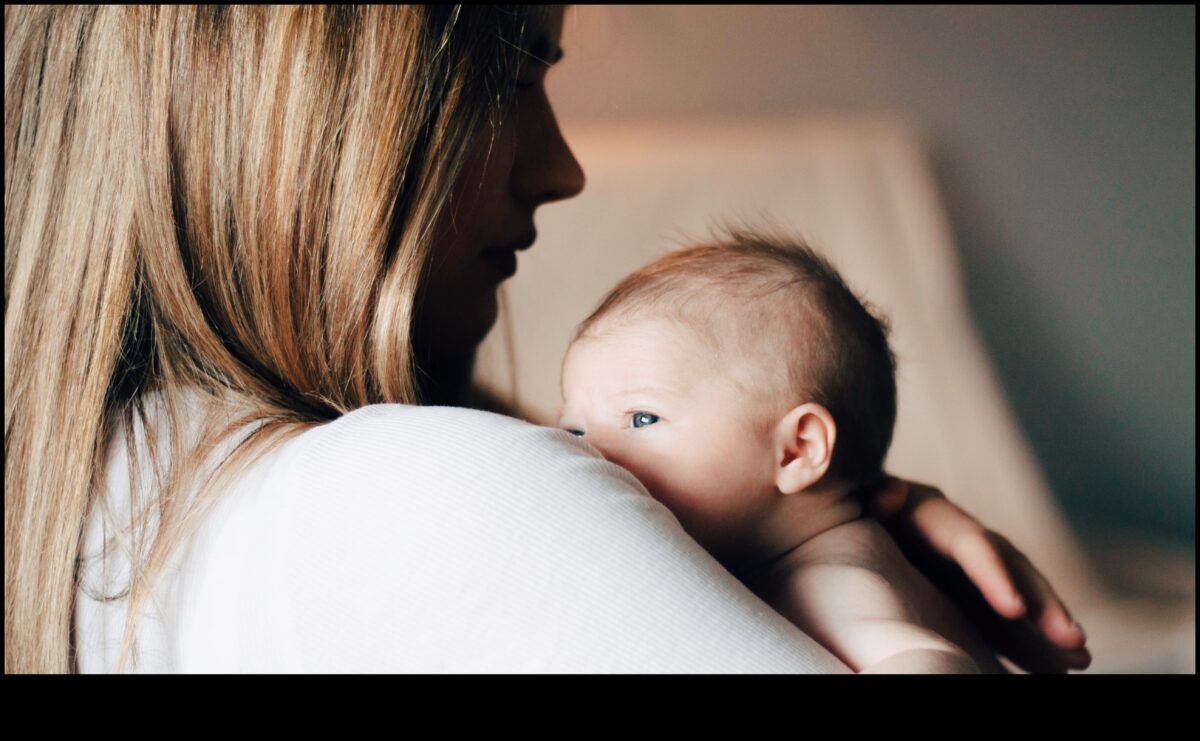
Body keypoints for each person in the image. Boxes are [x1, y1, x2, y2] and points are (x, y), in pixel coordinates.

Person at [4, 5, 1090, 673]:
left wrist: (845, 515)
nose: (561, 167)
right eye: (515, 75)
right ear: (310, 111)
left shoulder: (92, 499)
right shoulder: (420, 491)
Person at [559, 231, 1010, 673]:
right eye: (574, 430)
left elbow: (931, 661)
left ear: (797, 451)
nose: (590, 452)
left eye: (642, 418)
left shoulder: (826, 580)